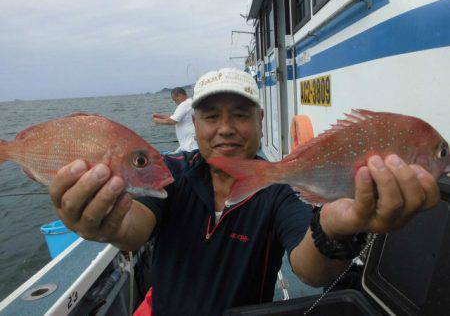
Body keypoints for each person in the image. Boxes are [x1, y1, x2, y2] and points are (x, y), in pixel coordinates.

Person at [49, 68, 440, 316]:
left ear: (260, 119)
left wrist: (338, 230)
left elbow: (309, 267)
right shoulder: (171, 173)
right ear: (194, 124)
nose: (226, 128)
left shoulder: (280, 189)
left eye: (240, 114)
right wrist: (107, 221)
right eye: (211, 116)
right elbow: (134, 227)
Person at [152, 87, 198, 152]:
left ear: (179, 96)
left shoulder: (184, 104)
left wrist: (157, 121)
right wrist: (160, 116)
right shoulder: (190, 102)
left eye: (175, 100)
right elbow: (175, 117)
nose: (175, 103)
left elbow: (173, 121)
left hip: (190, 146)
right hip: (190, 144)